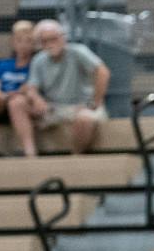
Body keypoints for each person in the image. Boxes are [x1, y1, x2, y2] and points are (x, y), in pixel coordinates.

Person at [11, 20, 107, 157]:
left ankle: (75, 157)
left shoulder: (78, 51)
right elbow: (31, 87)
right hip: (54, 109)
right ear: (40, 44)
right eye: (45, 41)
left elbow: (102, 72)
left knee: (85, 119)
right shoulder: (39, 60)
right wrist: (37, 99)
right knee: (16, 103)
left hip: (81, 106)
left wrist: (95, 102)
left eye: (53, 39)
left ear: (63, 38)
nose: (50, 44)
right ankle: (30, 154)